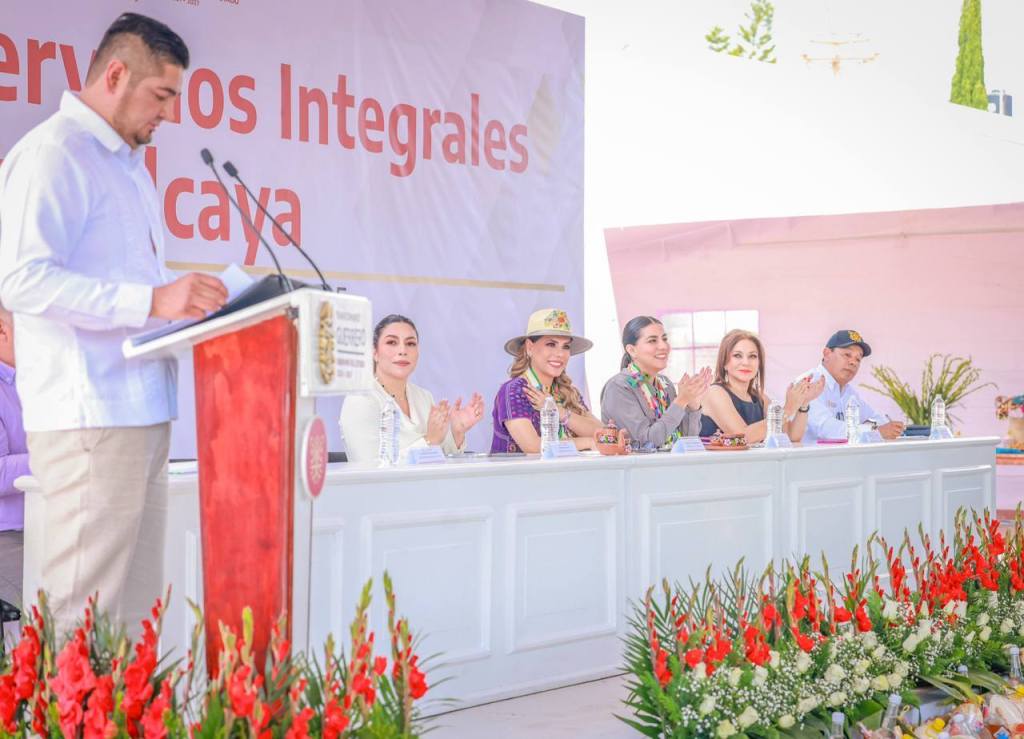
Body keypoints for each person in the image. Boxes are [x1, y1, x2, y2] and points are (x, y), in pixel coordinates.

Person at [0, 12, 229, 634]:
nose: (170, 114)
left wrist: (191, 308)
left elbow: (134, 291)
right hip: (90, 415)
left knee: (131, 616)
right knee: (79, 616)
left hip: (143, 411)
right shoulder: (53, 154)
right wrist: (153, 300)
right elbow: (21, 282)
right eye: (162, 95)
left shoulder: (129, 167)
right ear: (116, 74)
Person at [340, 315, 485, 462]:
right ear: (375, 353)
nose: (403, 350)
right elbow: (370, 467)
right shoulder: (361, 399)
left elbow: (440, 457)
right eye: (392, 342)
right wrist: (429, 441)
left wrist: (456, 431)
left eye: (410, 343)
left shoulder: (423, 397)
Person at [491, 308, 601, 453]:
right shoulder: (515, 390)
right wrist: (587, 442)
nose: (560, 354)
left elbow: (600, 432)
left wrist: (558, 411)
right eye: (551, 344)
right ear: (530, 347)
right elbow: (533, 447)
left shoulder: (567, 391)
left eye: (566, 346)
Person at [600, 316, 711, 448]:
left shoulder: (666, 385)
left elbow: (687, 443)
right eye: (652, 340)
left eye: (664, 339)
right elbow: (648, 443)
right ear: (632, 350)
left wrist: (692, 405)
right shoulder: (618, 387)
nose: (663, 346)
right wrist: (681, 401)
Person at [700, 329, 825, 443]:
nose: (746, 362)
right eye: (737, 355)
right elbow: (742, 437)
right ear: (724, 363)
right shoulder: (714, 392)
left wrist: (803, 403)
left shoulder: (760, 398)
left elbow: (792, 436)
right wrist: (788, 409)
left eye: (752, 356)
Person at [800, 330, 905, 443]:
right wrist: (875, 431)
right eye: (847, 355)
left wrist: (876, 428)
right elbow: (826, 429)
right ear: (827, 354)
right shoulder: (809, 383)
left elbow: (878, 419)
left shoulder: (848, 392)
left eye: (858, 359)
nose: (853, 362)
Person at [0, 308, 28, 533]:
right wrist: (60, 454)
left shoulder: (33, 381)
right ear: (2, 330)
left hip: (45, 524)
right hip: (9, 535)